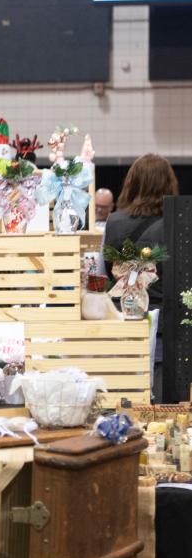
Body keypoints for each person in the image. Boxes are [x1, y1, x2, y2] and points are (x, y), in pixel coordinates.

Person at [103, 153, 180, 401]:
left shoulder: (113, 222)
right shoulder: (178, 223)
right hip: (164, 332)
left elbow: (107, 273)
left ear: (131, 183)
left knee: (123, 404)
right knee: (161, 410)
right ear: (169, 184)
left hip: (123, 325)